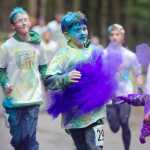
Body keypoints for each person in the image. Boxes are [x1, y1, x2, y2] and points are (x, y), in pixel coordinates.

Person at [44, 11, 107, 150]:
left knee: (96, 148)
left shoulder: (96, 51)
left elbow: (106, 75)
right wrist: (66, 78)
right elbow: (49, 80)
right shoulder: (63, 55)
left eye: (84, 28)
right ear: (66, 34)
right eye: (77, 30)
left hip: (95, 114)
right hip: (74, 117)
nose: (83, 32)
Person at [0, 7, 48, 150]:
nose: (24, 22)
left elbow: (43, 67)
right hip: (13, 99)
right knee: (19, 138)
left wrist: (48, 82)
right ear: (13, 26)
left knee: (30, 137)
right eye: (19, 21)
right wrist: (5, 82)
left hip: (33, 97)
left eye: (26, 19)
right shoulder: (7, 47)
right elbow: (1, 70)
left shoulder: (38, 44)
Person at [105, 24, 143, 150]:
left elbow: (138, 73)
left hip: (125, 95)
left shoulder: (130, 55)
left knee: (124, 122)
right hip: (109, 96)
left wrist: (139, 87)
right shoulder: (104, 54)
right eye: (112, 34)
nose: (114, 37)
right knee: (115, 128)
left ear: (122, 37)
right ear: (109, 37)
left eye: (117, 34)